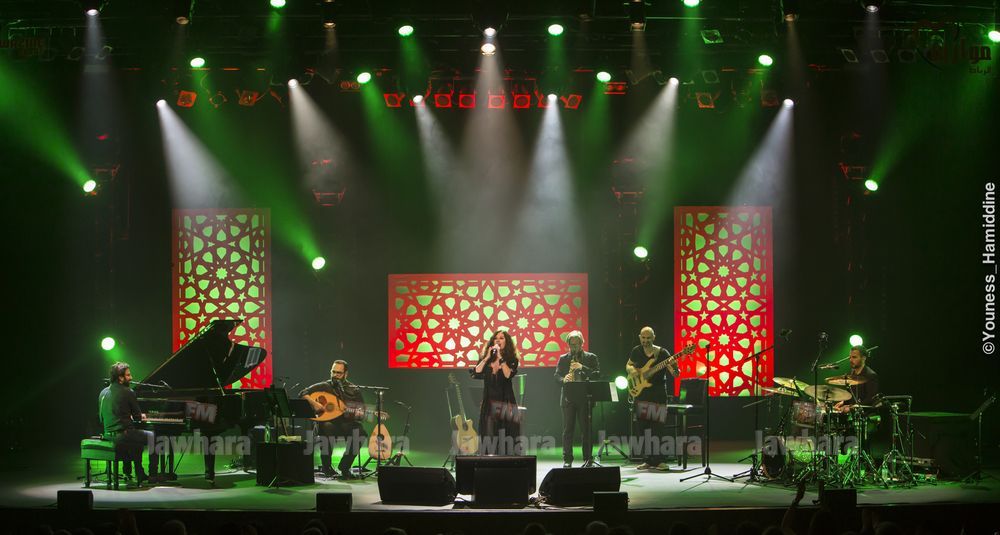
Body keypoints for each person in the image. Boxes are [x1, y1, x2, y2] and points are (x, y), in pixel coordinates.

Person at [299, 360, 367, 479]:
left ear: (346, 374)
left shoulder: (354, 389)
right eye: (333, 372)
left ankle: (344, 467)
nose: (335, 375)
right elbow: (303, 393)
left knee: (361, 433)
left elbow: (361, 410)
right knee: (327, 427)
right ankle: (327, 467)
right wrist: (315, 404)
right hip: (328, 422)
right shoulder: (325, 386)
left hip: (346, 423)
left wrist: (355, 413)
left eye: (338, 373)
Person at [625, 326, 680, 470]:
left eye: (648, 338)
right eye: (643, 338)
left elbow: (675, 374)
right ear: (640, 337)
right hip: (641, 394)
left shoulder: (662, 353)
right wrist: (633, 371)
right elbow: (628, 365)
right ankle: (648, 460)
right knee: (643, 428)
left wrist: (674, 366)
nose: (646, 341)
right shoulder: (636, 351)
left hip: (658, 394)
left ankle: (659, 460)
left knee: (658, 428)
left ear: (654, 337)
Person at [98, 362, 159, 485]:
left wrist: (125, 416)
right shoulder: (128, 391)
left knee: (137, 439)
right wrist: (139, 415)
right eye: (128, 375)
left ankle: (138, 473)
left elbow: (101, 418)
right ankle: (153, 475)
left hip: (107, 435)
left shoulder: (103, 393)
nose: (131, 378)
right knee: (153, 437)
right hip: (123, 435)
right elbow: (138, 417)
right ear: (120, 378)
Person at [470, 330, 522, 455]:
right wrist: (487, 357)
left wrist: (500, 357)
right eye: (496, 338)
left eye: (502, 338)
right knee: (489, 434)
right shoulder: (487, 359)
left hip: (505, 401)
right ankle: (489, 461)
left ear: (507, 342)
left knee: (505, 436)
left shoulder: (512, 359)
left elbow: (508, 374)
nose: (498, 340)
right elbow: (476, 372)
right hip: (489, 401)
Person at [553, 330, 600, 467]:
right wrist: (563, 379)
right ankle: (567, 459)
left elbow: (597, 374)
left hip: (585, 398)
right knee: (568, 430)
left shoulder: (591, 357)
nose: (573, 347)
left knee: (586, 430)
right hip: (568, 398)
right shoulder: (563, 358)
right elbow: (556, 376)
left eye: (576, 344)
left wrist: (582, 367)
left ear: (581, 343)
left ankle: (588, 458)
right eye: (571, 345)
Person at [834, 346, 880, 412]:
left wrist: (851, 408)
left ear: (863, 358)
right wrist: (843, 402)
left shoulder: (870, 375)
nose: (851, 360)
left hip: (866, 413)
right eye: (850, 357)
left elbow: (870, 399)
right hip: (853, 413)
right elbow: (850, 395)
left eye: (854, 357)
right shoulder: (851, 374)